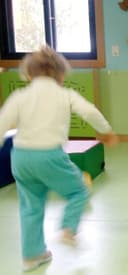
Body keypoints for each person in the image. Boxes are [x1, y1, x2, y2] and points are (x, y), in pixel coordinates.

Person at [0, 46, 119, 272]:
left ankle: (33, 255)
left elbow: (2, 122)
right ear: (61, 75)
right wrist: (106, 131)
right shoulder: (65, 94)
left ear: (28, 74)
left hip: (21, 159)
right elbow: (90, 111)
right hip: (49, 156)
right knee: (79, 191)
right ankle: (68, 228)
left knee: (30, 207)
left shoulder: (19, 96)